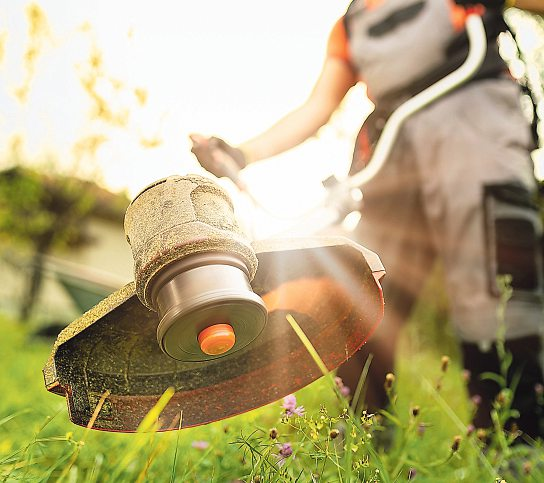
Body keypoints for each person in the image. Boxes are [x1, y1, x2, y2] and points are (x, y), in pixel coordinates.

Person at [190, 0, 544, 439]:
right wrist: (241, 154)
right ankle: (366, 436)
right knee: (366, 295)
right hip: (393, 158)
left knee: (497, 294)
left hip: (479, 137)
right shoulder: (354, 23)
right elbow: (317, 107)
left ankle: (515, 442)